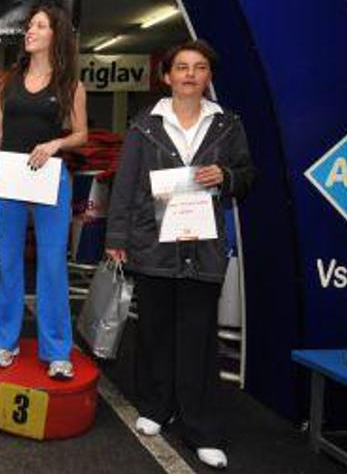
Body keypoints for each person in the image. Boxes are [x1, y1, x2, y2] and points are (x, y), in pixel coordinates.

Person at [104, 40, 255, 470]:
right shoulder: (143, 126)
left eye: (199, 67)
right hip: (153, 243)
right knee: (154, 332)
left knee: (199, 339)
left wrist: (225, 176)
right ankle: (156, 408)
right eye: (182, 67)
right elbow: (126, 183)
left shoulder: (227, 125)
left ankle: (202, 429)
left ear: (209, 77)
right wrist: (117, 236)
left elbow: (248, 175)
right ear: (167, 76)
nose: (190, 74)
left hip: (203, 248)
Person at [0, 5, 88, 379]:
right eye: (29, 25)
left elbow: (82, 134)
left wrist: (57, 143)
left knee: (53, 264)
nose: (30, 30)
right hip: (9, 179)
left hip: (50, 179)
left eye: (40, 26)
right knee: (9, 263)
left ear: (56, 35)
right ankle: (5, 343)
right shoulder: (6, 80)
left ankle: (57, 351)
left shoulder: (70, 85)